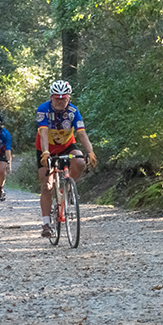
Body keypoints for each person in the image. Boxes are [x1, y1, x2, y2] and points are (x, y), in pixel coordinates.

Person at [36, 80, 97, 237]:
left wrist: (90, 152)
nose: (60, 101)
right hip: (46, 147)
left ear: (69, 98)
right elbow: (43, 133)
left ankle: (68, 187)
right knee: (46, 186)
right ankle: (46, 224)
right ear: (51, 97)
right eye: (57, 98)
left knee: (80, 161)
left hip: (67, 145)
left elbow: (81, 134)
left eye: (63, 98)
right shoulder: (43, 109)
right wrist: (45, 152)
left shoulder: (73, 111)